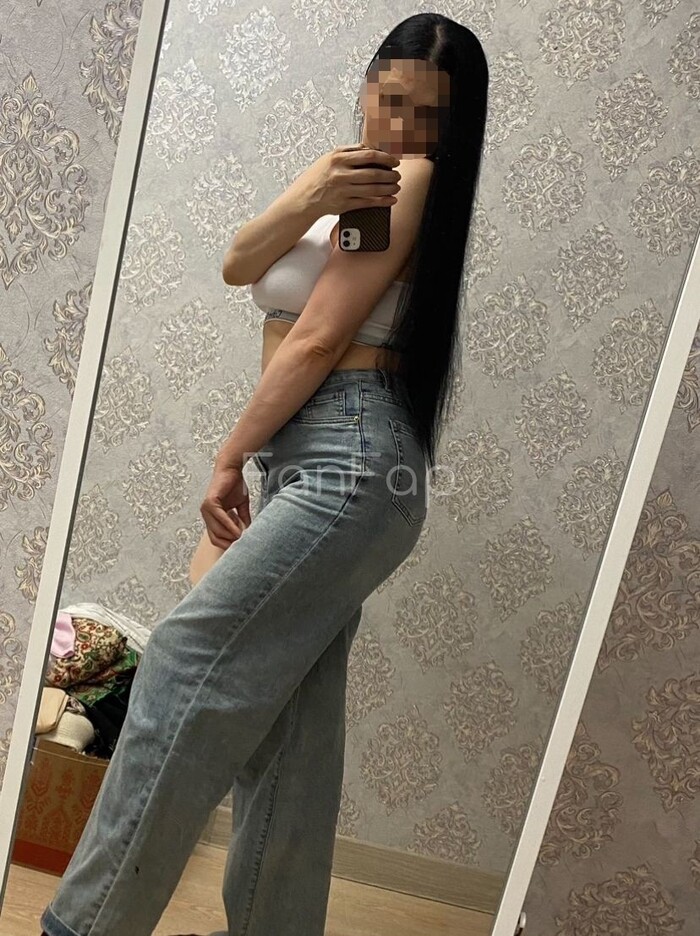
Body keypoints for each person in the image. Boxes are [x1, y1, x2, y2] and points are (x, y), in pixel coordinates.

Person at [39, 12, 488, 936]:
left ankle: (83, 926)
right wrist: (310, 189)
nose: (401, 129)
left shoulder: (408, 183)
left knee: (181, 660)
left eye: (427, 116)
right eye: (390, 99)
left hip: (349, 459)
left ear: (451, 127)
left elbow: (319, 337)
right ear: (367, 83)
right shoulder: (345, 182)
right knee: (289, 732)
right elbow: (239, 262)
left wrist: (227, 455)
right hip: (321, 461)